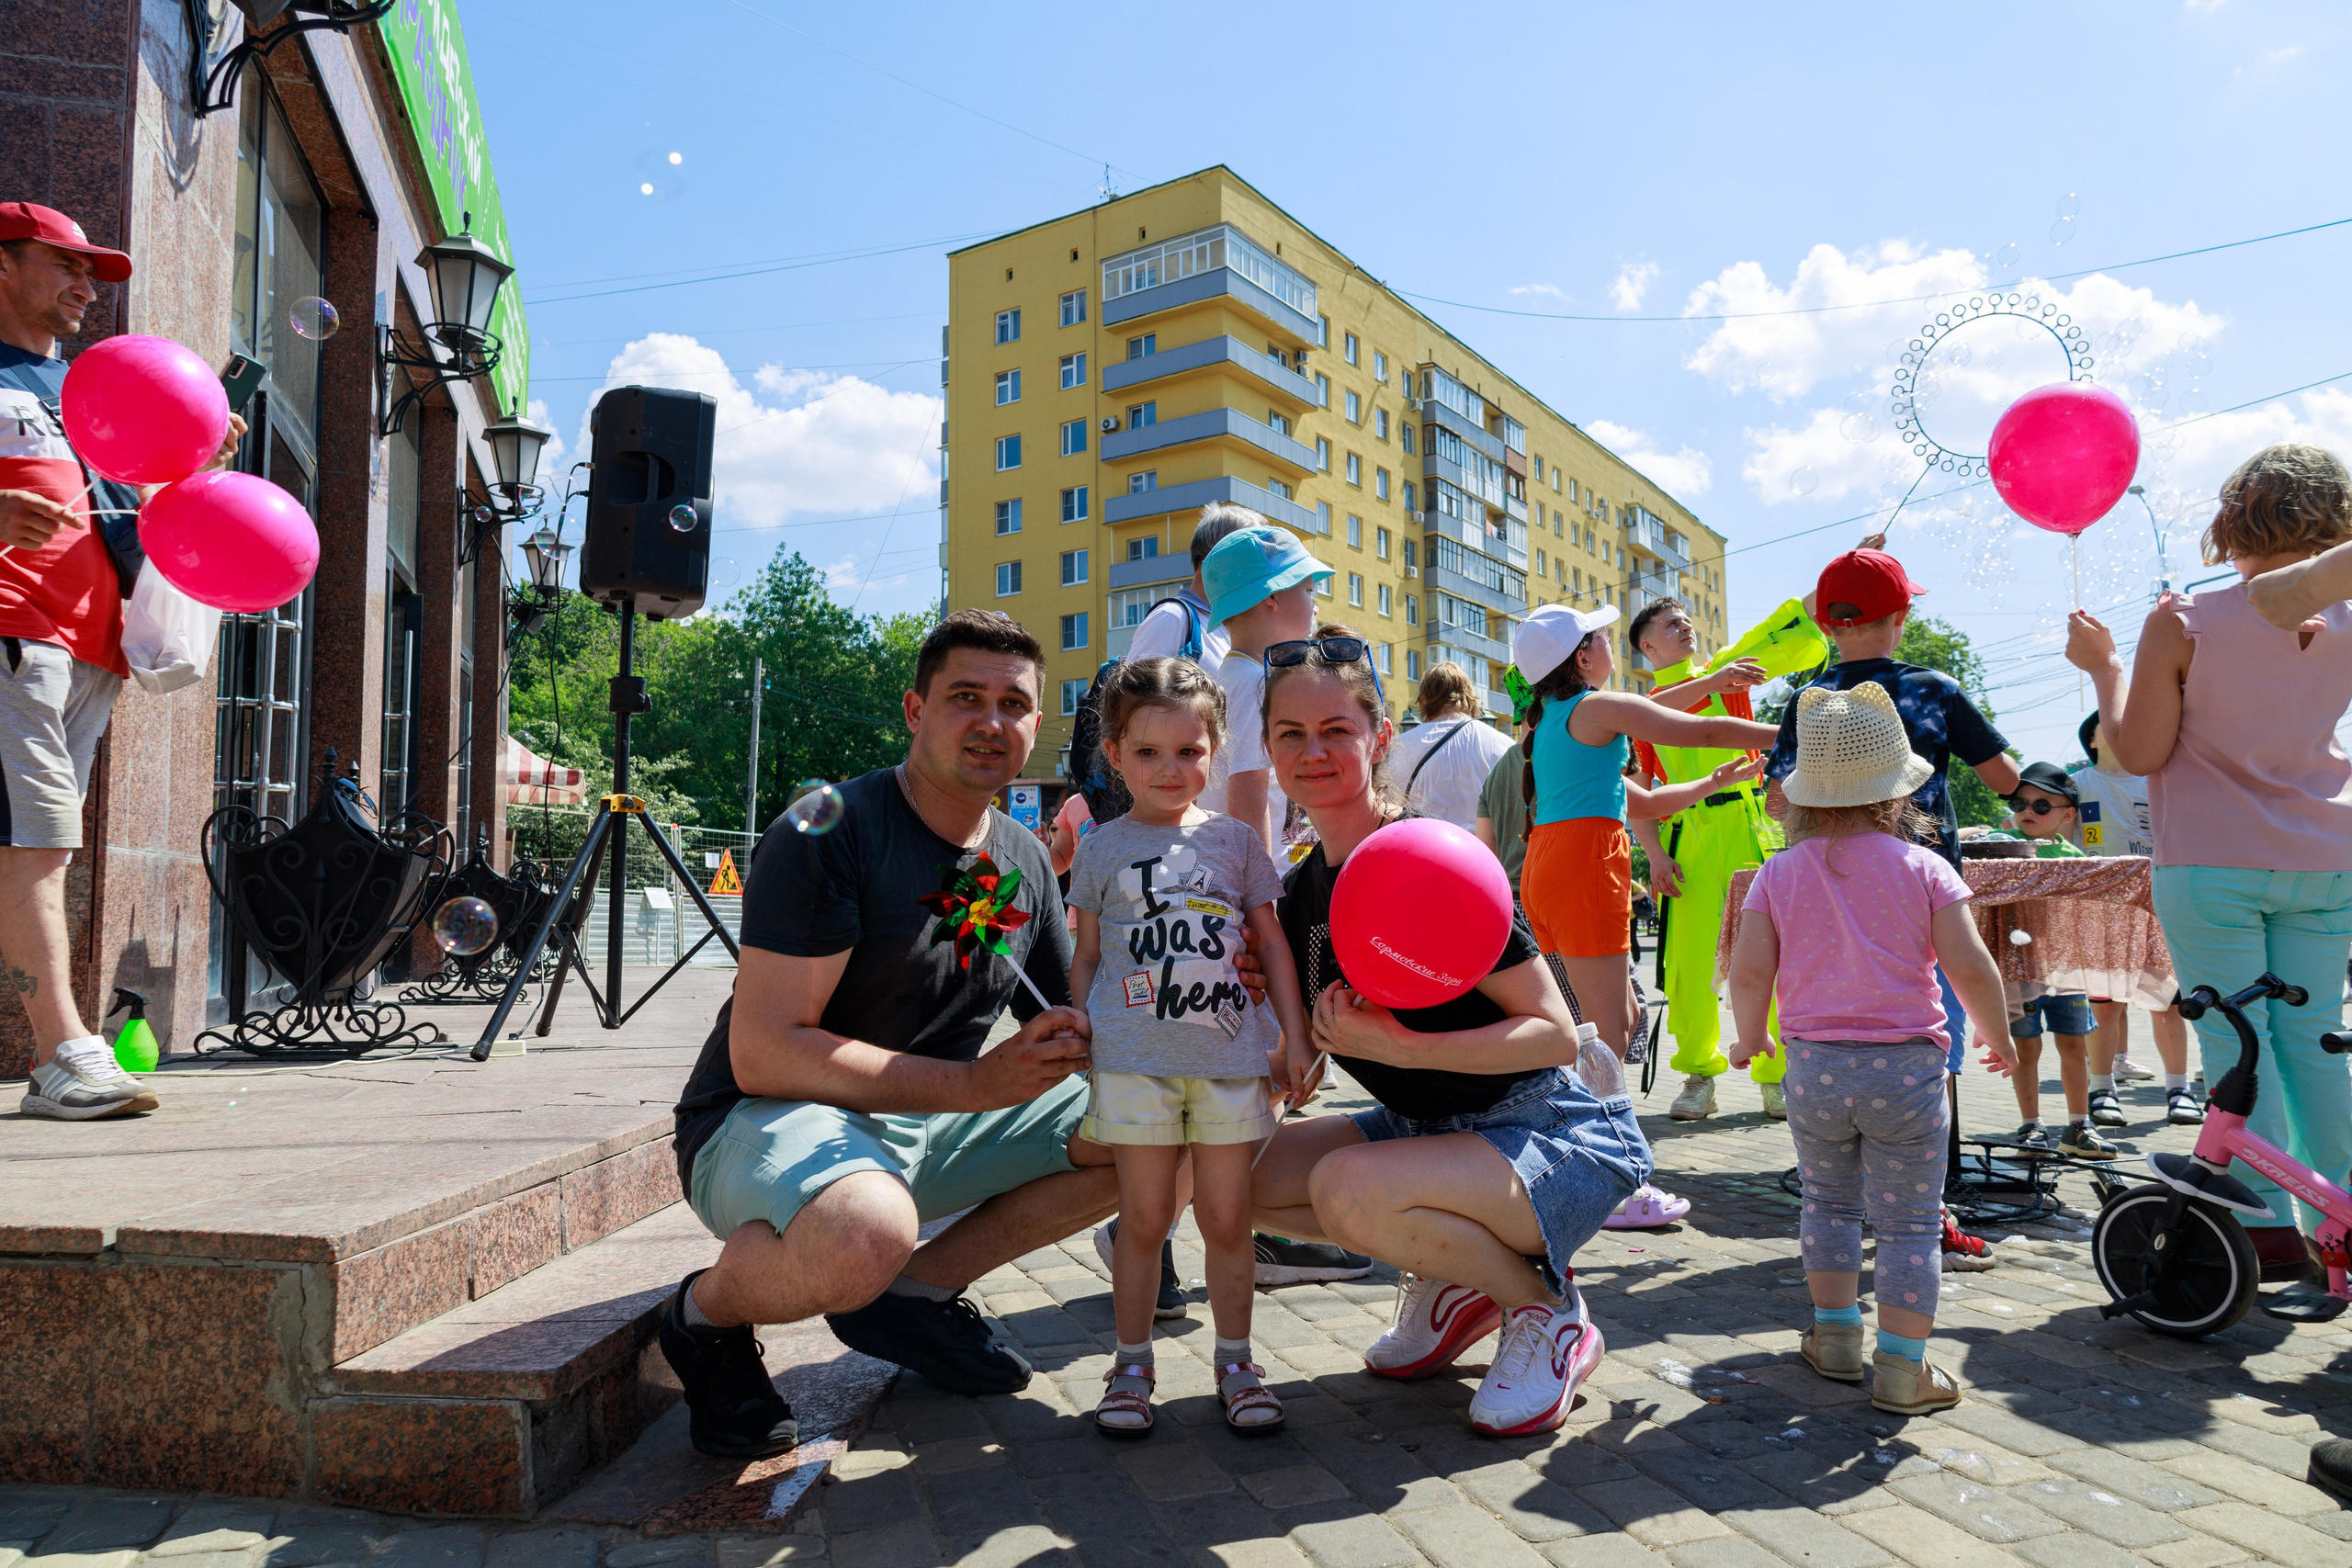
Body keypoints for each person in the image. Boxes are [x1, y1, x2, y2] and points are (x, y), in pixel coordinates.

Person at [664, 611, 1120, 1458]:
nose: (991, 722)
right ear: (915, 710)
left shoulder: (1023, 860)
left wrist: (1220, 1001)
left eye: (1014, 704)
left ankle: (911, 1297)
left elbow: (1078, 1027)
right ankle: (703, 1317)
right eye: (965, 697)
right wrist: (976, 1085)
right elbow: (763, 1052)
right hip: (758, 1118)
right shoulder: (832, 828)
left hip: (926, 1123)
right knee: (867, 1228)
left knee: (1152, 1123)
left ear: (1037, 724)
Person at [1243, 630, 1653, 1436]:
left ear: (1380, 737)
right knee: (1233, 1173)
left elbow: (1554, 1035)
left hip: (1546, 1133)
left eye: (1336, 730)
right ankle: (1454, 1275)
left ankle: (1545, 1310)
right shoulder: (1299, 893)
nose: (1313, 751)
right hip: (1424, 1133)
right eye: (1291, 733)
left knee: (1346, 1188)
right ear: (1268, 747)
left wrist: (1403, 1047)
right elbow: (1303, 1057)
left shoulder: (1432, 862)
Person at [2066, 442, 2352, 1308]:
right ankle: (2338, 1226)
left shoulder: (2184, 619)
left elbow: (2139, 751)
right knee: (2316, 1044)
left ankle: (2261, 1228)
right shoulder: (2346, 615)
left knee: (2238, 1043)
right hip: (2326, 858)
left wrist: (2104, 669)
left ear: (2233, 521)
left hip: (2213, 861)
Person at [0, 201, 243, 1120]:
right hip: (15, 631)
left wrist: (188, 469)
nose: (84, 286)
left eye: (91, 273)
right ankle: (63, 1053)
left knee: (34, 840)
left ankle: (62, 1050)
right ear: (2, 265)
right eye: (64, 264)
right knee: (36, 839)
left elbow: (129, 518)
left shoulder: (82, 388)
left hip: (93, 648)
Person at [1725, 682, 2014, 1416]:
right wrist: (1998, 1033)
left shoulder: (1777, 873)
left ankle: (1834, 1338)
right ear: (1896, 791)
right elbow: (1971, 966)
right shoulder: (1925, 867)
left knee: (1827, 1202)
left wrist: (1752, 1035)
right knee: (1911, 1221)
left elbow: (1750, 970)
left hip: (1814, 1068)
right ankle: (1903, 1371)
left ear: (1805, 794)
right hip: (1908, 1071)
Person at [1064, 657, 1310, 1436]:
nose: (1170, 768)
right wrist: (1079, 1026)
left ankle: (1236, 1362)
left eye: (1189, 751)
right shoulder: (1100, 848)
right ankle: (1131, 1366)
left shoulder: (1237, 841)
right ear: (1114, 754)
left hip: (1231, 1066)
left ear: (1215, 749)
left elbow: (1273, 945)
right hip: (1133, 1066)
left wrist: (1296, 1037)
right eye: (1147, 751)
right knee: (1143, 1221)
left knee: (1229, 1219)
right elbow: (1088, 955)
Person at [1512, 603, 1778, 1059]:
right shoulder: (1597, 708)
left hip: (1548, 867)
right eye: (1600, 636)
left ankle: (1590, 1097)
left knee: (1624, 1016)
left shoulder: (1549, 719)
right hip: (1584, 862)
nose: (1609, 640)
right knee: (1611, 1033)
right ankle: (1598, 1107)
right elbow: (1705, 732)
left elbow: (1649, 803)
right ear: (1583, 658)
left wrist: (1715, 781)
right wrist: (1797, 729)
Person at [1626, 587, 1829, 1123]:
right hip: (1688, 837)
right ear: (1647, 647)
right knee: (1689, 966)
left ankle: (1776, 1076)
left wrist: (1846, 571)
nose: (1685, 627)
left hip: (1748, 827)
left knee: (1772, 953)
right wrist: (1655, 856)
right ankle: (1699, 1076)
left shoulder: (1728, 672)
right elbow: (1638, 796)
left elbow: (1786, 623)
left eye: (1686, 620)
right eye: (1671, 624)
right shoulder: (1642, 710)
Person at [1979, 763, 2117, 1160]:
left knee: (2074, 1045)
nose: (2028, 811)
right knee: (2025, 1048)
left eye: (2041, 805)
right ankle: (2031, 1126)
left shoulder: (2073, 857)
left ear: (2067, 814)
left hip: (2064, 970)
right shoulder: (2003, 844)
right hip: (2017, 970)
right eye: (2019, 803)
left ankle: (2079, 1125)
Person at [2071, 710, 2200, 1125]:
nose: (2119, 730)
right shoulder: (2075, 785)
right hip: (2100, 908)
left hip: (2156, 902)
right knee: (2105, 1006)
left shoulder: (2159, 780)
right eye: (2108, 725)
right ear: (2092, 739)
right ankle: (2102, 1089)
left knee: (2167, 1003)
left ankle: (2179, 1089)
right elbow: (2049, 832)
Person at [1197, 522, 1332, 858]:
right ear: (1272, 596)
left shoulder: (1234, 677)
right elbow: (1248, 803)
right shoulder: (1254, 685)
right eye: (1308, 591)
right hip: (1265, 877)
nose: (1315, 606)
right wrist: (1263, 889)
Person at [1124, 503, 1250, 679]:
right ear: (1216, 558)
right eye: (1248, 558)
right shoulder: (1172, 618)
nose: (1254, 571)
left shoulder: (1225, 627)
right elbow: (1135, 693)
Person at [1389, 661, 1514, 831]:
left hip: (1419, 843)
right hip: (1481, 845)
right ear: (1469, 696)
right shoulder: (1502, 744)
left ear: (1423, 700)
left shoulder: (1399, 747)